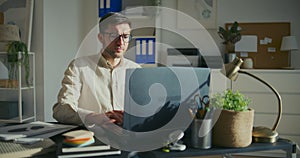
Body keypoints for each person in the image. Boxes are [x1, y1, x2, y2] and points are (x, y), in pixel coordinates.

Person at [52, 12, 141, 126]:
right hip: (94, 138)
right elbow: (61, 110)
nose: (120, 42)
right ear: (101, 37)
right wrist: (93, 117)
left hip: (128, 138)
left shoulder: (136, 70)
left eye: (125, 36)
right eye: (114, 36)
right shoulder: (79, 67)